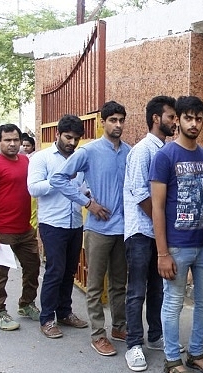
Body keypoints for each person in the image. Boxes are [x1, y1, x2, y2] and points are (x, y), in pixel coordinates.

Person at [150, 95, 203, 373]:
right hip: (176, 246)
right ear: (177, 119)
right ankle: (171, 360)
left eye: (199, 118)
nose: (194, 123)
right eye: (188, 118)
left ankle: (195, 353)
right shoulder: (165, 156)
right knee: (173, 303)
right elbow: (156, 207)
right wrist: (162, 253)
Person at [50, 101, 131, 356]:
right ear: (102, 122)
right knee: (95, 286)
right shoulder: (89, 151)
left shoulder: (130, 152)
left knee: (120, 284)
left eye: (121, 120)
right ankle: (98, 334)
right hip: (97, 229)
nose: (117, 125)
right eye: (112, 120)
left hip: (123, 229)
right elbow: (58, 178)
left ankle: (119, 326)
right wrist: (88, 203)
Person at [122, 95, 176, 371]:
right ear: (156, 118)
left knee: (158, 287)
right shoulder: (144, 150)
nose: (175, 122)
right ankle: (133, 344)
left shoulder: (165, 150)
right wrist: (161, 224)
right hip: (141, 232)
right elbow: (141, 195)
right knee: (137, 290)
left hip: (158, 234)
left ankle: (155, 335)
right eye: (171, 117)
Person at [28, 114, 88, 339]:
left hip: (75, 222)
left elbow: (81, 188)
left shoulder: (80, 159)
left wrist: (88, 194)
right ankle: (47, 319)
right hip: (52, 223)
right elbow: (33, 188)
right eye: (68, 137)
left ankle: (65, 312)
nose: (72, 143)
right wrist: (59, 178)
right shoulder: (42, 158)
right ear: (57, 134)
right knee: (55, 271)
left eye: (76, 139)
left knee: (70, 271)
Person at [0, 124, 41, 331]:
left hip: (25, 229)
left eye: (15, 139)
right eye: (7, 140)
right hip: (1, 231)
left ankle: (26, 304)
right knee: (0, 273)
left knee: (33, 268)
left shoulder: (25, 161)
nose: (13, 144)